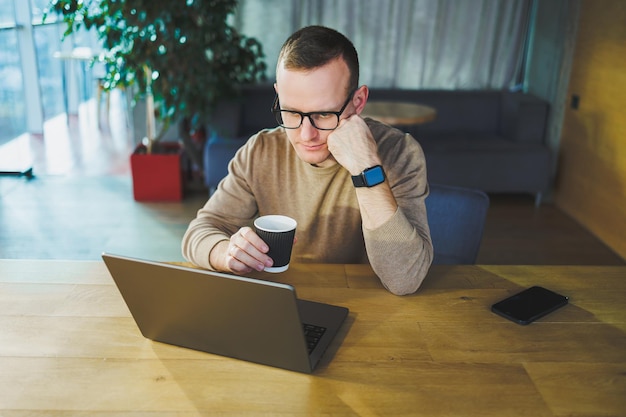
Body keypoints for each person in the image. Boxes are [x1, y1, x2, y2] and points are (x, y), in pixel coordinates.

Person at [182, 25, 433, 295]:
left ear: (358, 101)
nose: (306, 134)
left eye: (324, 114)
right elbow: (197, 234)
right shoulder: (260, 152)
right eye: (291, 112)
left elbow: (404, 279)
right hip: (281, 300)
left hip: (367, 303)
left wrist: (366, 167)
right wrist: (227, 253)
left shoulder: (399, 153)